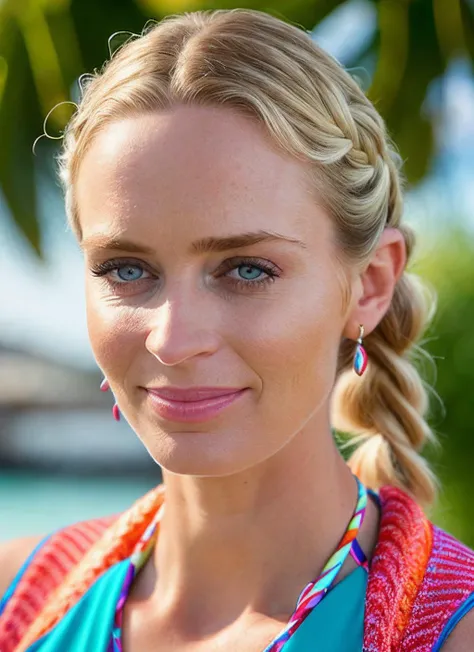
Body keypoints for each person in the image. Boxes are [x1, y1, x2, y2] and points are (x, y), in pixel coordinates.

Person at [1, 8, 473, 651]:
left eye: (246, 269)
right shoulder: (16, 606)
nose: (171, 338)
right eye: (126, 269)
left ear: (370, 284)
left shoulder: (449, 630)